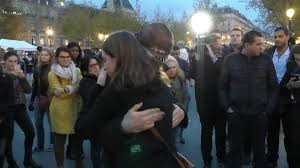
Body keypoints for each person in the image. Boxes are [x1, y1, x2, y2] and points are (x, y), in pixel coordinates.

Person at [76, 31, 180, 168]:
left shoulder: (115, 91)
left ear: (119, 58)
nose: (104, 67)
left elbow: (82, 127)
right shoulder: (158, 83)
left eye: (106, 60)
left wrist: (98, 87)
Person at [219, 30, 278, 168]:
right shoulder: (231, 59)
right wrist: (227, 107)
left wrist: (267, 110)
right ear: (246, 45)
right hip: (236, 114)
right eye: (258, 44)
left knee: (259, 153)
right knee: (234, 153)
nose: (262, 47)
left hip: (260, 115)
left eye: (262, 44)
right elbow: (222, 86)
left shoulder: (266, 60)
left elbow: (274, 87)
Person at [190, 30, 226, 168]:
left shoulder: (225, 56)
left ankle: (221, 157)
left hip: (221, 101)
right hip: (205, 101)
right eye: (213, 39)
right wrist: (196, 58)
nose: (215, 41)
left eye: (218, 38)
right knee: (206, 132)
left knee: (221, 132)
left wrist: (211, 55)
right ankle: (206, 159)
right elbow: (192, 74)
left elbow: (223, 73)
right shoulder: (200, 57)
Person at [2, 51, 41, 168]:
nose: (13, 64)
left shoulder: (19, 73)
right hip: (6, 109)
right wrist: (11, 75)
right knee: (8, 137)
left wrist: (23, 78)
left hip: (20, 106)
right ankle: (11, 163)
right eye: (10, 61)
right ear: (4, 62)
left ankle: (28, 159)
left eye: (15, 61)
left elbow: (28, 90)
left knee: (30, 132)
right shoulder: (2, 74)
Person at [48, 47, 83, 168]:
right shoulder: (52, 73)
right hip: (59, 111)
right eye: (62, 57)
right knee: (59, 142)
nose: (65, 59)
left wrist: (66, 89)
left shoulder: (77, 70)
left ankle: (79, 163)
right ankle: (60, 165)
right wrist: (72, 88)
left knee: (77, 139)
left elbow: (80, 86)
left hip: (75, 109)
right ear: (57, 58)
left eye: (67, 57)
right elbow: (58, 93)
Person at [264, 26, 293, 168]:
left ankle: (292, 161)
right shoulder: (268, 53)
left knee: (291, 135)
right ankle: (271, 160)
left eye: (280, 36)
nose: (277, 39)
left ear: (288, 37)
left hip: (289, 99)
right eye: (275, 36)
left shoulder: (295, 54)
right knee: (272, 132)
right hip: (271, 98)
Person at [78, 54, 107, 168]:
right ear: (86, 70)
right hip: (94, 120)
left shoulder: (103, 77)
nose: (96, 67)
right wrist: (99, 84)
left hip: (105, 119)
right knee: (96, 149)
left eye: (97, 64)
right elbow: (90, 98)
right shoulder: (85, 82)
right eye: (92, 66)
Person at [29, 49, 54, 152]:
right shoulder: (37, 68)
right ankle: (40, 144)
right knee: (38, 123)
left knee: (52, 123)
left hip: (50, 99)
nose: (43, 56)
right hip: (39, 98)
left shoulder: (53, 69)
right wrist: (31, 100)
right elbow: (35, 86)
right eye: (42, 55)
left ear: (50, 56)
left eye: (46, 55)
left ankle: (53, 143)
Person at [280, 44, 300, 167]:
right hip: (291, 111)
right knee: (291, 141)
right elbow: (281, 87)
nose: (299, 64)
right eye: (297, 60)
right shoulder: (291, 68)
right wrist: (289, 86)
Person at [163, 56, 190, 144]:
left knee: (178, 134)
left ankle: (180, 135)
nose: (171, 70)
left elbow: (186, 96)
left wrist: (183, 110)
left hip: (181, 110)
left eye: (174, 67)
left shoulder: (181, 78)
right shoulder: (161, 82)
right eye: (169, 68)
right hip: (169, 116)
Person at [0, 67, 14, 168]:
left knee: (1, 152)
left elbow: (10, 99)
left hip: (3, 119)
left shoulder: (6, 79)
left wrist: (2, 116)